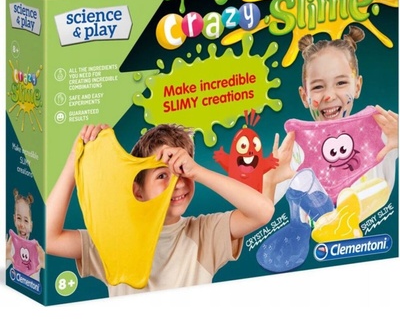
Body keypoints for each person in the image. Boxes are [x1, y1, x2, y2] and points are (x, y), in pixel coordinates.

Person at [46, 123, 275, 296]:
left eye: (182, 169)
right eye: (162, 175)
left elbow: (263, 211)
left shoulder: (204, 233)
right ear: (138, 191)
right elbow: (49, 239)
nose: (178, 183)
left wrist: (197, 171)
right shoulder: (113, 239)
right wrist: (75, 160)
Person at [263, 25, 398, 204]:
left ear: (357, 87)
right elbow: (259, 209)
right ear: (304, 96)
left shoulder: (382, 131)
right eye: (318, 87)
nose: (329, 96)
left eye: (341, 83)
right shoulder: (295, 150)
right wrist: (269, 181)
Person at [6, 189, 45, 279]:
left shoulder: (38, 250)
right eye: (19, 218)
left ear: (31, 225)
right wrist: (4, 256)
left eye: (26, 220)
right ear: (14, 219)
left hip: (34, 285)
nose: (22, 225)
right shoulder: (11, 246)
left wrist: (46, 262)